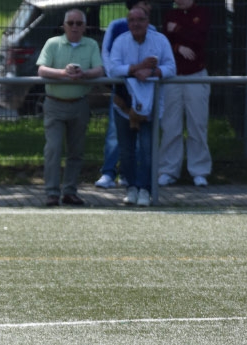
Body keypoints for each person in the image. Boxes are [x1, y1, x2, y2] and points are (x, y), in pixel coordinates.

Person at [105, 5, 175, 207]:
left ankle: (145, 189)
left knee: (147, 150)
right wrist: (137, 68)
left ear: (148, 22)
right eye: (132, 20)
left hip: (150, 105)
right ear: (128, 23)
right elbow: (113, 69)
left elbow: (171, 68)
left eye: (140, 20)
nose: (135, 24)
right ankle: (131, 188)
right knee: (126, 150)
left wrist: (152, 72)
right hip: (124, 104)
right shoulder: (120, 41)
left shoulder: (160, 40)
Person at [35, 9, 103, 207]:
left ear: (85, 26)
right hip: (54, 104)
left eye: (78, 23)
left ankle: (70, 192)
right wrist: (63, 73)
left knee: (76, 151)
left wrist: (84, 74)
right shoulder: (52, 43)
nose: (74, 27)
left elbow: (99, 69)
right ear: (64, 26)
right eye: (71, 23)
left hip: (80, 104)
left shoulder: (91, 45)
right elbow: (42, 69)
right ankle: (52, 193)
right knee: (53, 149)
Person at [94, 0, 154, 190]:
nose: (149, 6)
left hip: (142, 90)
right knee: (115, 132)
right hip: (121, 87)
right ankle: (108, 172)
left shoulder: (152, 30)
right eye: (145, 2)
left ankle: (130, 175)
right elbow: (106, 52)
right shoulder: (117, 25)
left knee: (139, 132)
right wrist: (114, 75)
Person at [158, 0, 212, 188]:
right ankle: (168, 170)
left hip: (196, 74)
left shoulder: (203, 13)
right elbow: (165, 40)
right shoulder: (170, 15)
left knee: (197, 123)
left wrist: (178, 30)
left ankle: (199, 171)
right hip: (173, 76)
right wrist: (178, 47)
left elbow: (199, 38)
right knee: (170, 124)